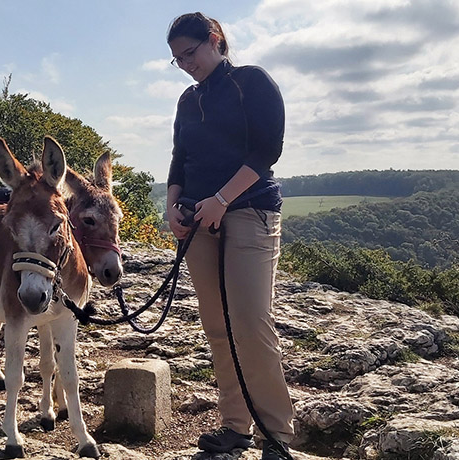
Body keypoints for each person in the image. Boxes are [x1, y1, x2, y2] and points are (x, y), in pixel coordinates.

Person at [163, 11, 295, 460]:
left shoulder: (251, 82)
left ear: (215, 40)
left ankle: (275, 434)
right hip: (198, 219)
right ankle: (235, 426)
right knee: (217, 327)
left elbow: (267, 149)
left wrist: (221, 198)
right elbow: (180, 159)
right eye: (177, 59)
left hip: (249, 210)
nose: (186, 64)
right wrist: (171, 207)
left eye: (191, 52)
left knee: (251, 322)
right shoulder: (187, 100)